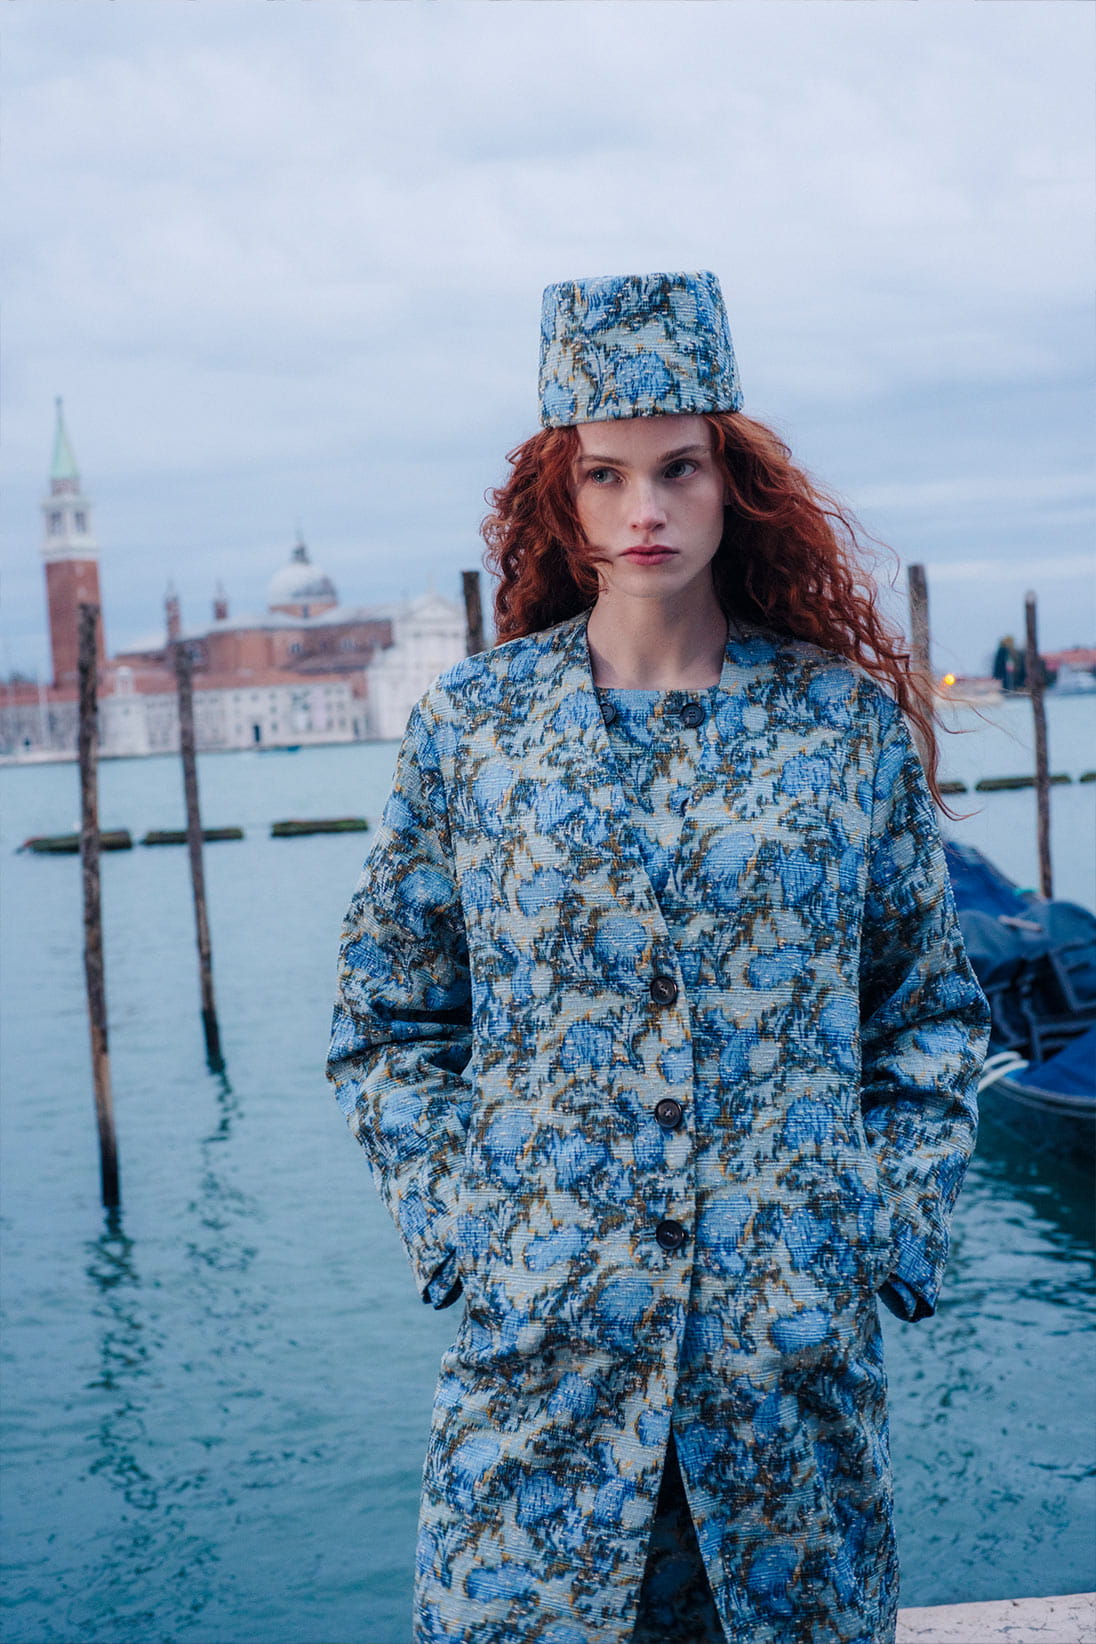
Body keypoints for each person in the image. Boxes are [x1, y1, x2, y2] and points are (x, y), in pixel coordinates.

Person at [326, 270, 990, 1644]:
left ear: (729, 479)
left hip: (786, 1394)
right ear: (559, 498)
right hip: (544, 1386)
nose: (645, 511)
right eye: (606, 475)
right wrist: (475, 1231)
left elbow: (928, 1018)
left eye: (679, 469)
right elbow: (389, 1021)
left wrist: (875, 1235)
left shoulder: (840, 726)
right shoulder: (473, 729)